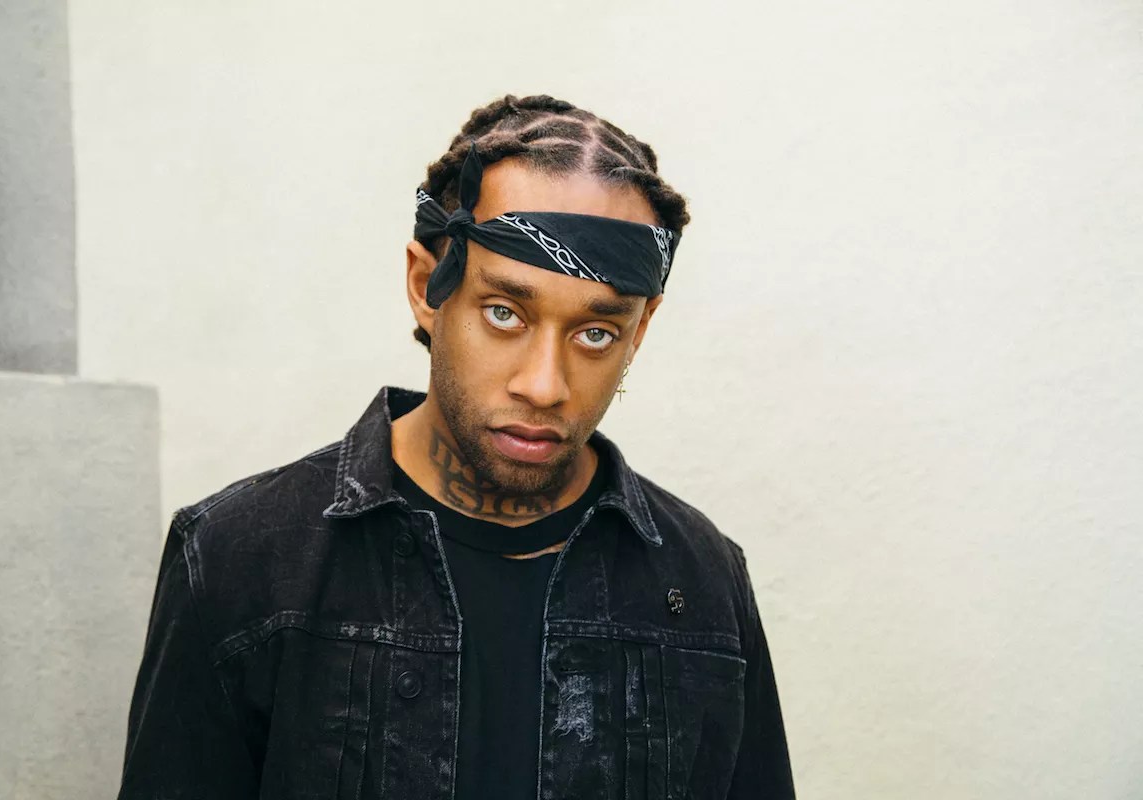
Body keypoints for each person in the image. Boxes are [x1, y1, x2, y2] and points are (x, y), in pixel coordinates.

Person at [118, 94, 796, 799]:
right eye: (504, 313)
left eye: (596, 333)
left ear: (640, 330)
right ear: (426, 286)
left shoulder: (703, 581)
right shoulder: (240, 559)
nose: (545, 385)